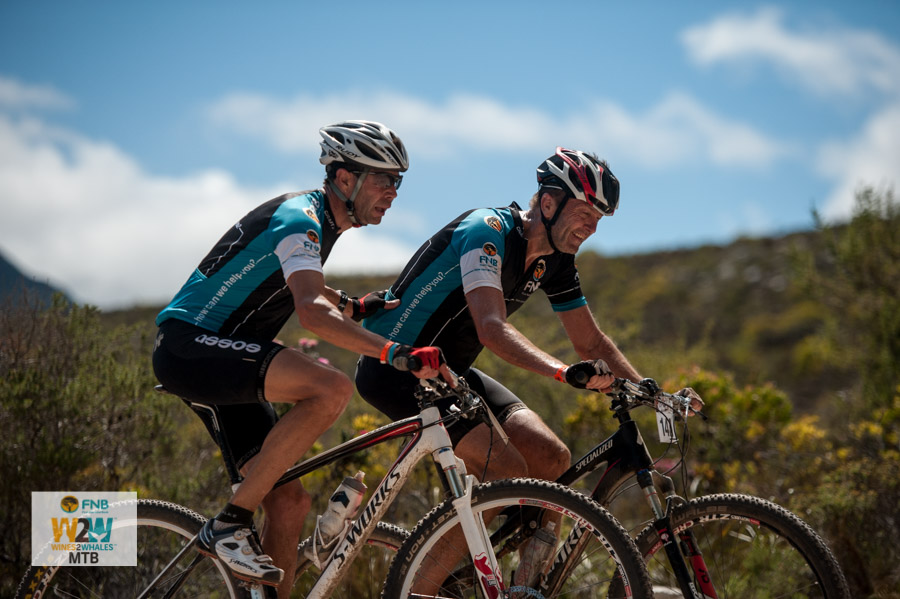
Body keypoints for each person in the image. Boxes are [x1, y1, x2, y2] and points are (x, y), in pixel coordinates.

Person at [152, 121, 449, 595]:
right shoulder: (301, 217)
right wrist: (394, 353)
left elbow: (300, 281)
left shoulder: (319, 223)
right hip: (190, 347)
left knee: (289, 504)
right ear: (345, 178)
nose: (393, 192)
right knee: (330, 388)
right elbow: (309, 309)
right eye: (383, 179)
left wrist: (352, 306)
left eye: (398, 181)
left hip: (223, 356)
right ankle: (229, 524)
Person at [356, 147, 704, 491]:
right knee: (505, 468)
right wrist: (563, 372)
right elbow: (491, 329)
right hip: (395, 366)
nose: (592, 228)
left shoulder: (557, 260)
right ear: (548, 204)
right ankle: (458, 531)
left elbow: (591, 342)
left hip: (450, 373)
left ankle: (518, 533)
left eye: (599, 219)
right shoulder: (487, 231)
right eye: (585, 213)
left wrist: (656, 396)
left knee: (552, 459)